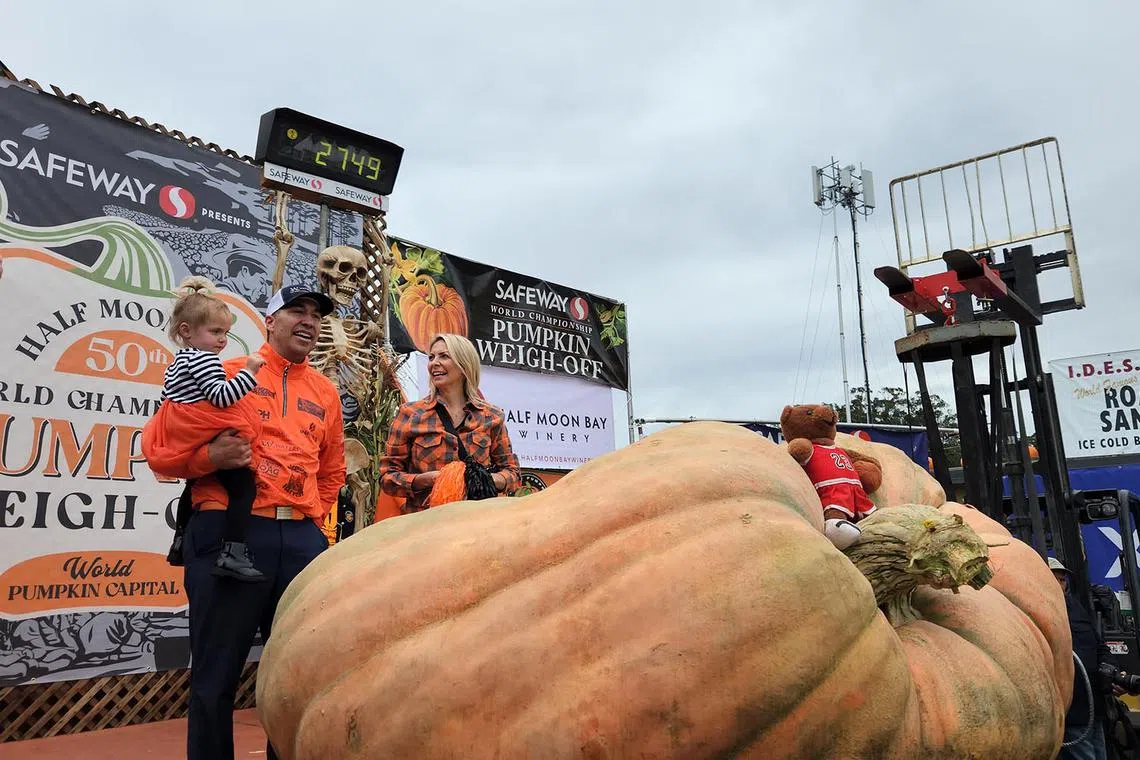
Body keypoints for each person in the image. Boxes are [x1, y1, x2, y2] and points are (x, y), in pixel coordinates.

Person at [142, 284, 345, 760]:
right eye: (296, 309)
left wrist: (320, 533)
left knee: (294, 680)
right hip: (230, 531)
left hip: (300, 540)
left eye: (316, 314)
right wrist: (208, 456)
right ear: (269, 321)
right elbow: (158, 450)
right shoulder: (222, 372)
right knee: (215, 678)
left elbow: (332, 472)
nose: (309, 320)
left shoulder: (326, 391)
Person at [156, 276, 267, 581]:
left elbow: (166, 400)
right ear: (186, 331)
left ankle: (179, 540)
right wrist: (249, 373)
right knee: (243, 489)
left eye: (226, 333)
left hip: (187, 434)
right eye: (216, 331)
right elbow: (221, 397)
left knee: (192, 485)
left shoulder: (177, 361)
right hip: (207, 432)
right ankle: (233, 551)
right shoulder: (205, 361)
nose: (222, 340)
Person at [380, 333, 520, 512]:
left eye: (444, 356)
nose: (434, 363)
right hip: (425, 523)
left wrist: (481, 478)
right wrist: (426, 480)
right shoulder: (411, 414)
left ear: (464, 365)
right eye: (431, 357)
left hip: (476, 522)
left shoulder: (491, 417)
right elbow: (387, 477)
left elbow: (513, 474)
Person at [1051, 557, 1112, 760]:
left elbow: (1098, 644)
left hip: (1093, 705)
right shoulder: (1042, 613)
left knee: (1100, 754)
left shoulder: (1075, 607)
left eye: (1062, 580)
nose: (1060, 585)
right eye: (1054, 579)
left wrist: (1109, 668)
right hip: (1072, 709)